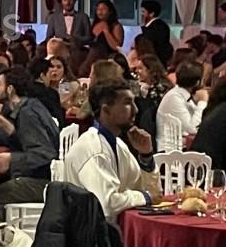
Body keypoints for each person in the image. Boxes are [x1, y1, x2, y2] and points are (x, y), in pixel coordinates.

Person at [0, 66, 59, 228]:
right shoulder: (30, 106)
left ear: (10, 89)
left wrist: (11, 159)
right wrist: (6, 128)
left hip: (42, 182)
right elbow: (24, 140)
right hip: (43, 178)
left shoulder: (27, 114)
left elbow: (44, 154)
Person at [63, 80, 156, 222]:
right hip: (88, 238)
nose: (136, 110)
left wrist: (146, 155)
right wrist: (144, 197)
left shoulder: (118, 145)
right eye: (127, 103)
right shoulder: (93, 149)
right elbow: (107, 204)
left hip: (112, 232)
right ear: (105, 109)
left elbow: (150, 190)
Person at [156, 62, 207, 150]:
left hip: (182, 146)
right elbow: (192, 129)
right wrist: (202, 102)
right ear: (198, 82)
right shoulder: (174, 97)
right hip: (169, 151)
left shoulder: (185, 96)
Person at [26, 57, 68, 127]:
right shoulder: (51, 94)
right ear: (42, 76)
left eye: (58, 67)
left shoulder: (66, 83)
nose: (55, 70)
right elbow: (60, 121)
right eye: (50, 73)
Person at [139, 0, 173, 67]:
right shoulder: (160, 25)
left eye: (143, 12)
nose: (141, 14)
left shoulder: (157, 27)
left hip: (155, 63)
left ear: (151, 14)